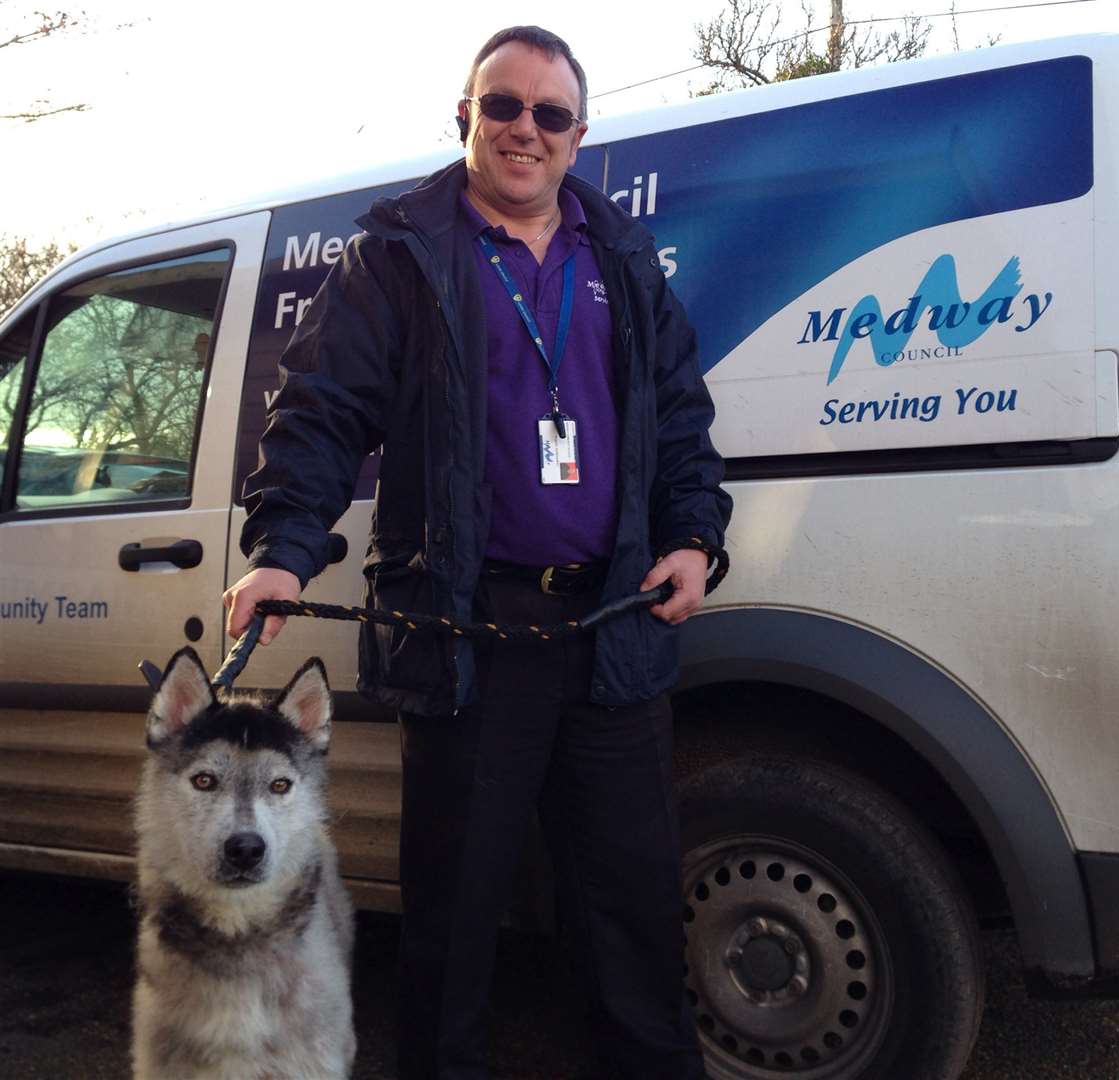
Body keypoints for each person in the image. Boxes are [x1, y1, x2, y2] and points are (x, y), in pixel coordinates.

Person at [223, 25, 731, 1080]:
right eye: (503, 106)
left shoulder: (624, 260)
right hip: (469, 633)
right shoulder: (401, 256)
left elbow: (679, 419)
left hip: (614, 630)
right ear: (465, 117)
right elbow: (320, 412)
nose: (524, 131)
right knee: (454, 924)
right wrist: (284, 547)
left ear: (579, 137)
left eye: (550, 115)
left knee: (632, 913)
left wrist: (692, 538)